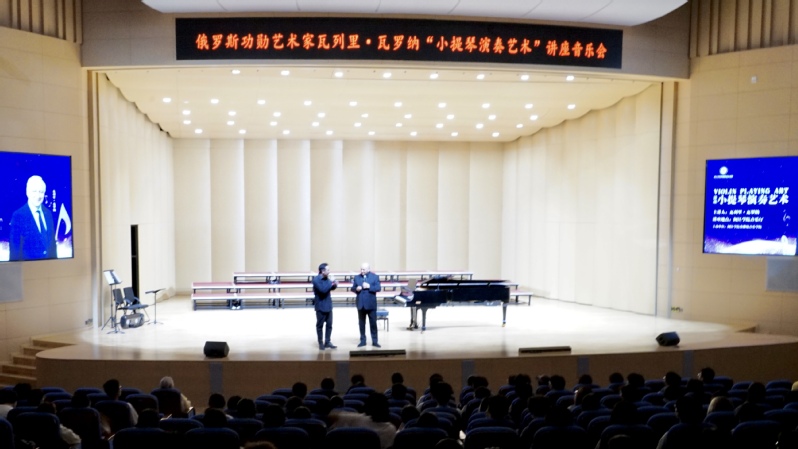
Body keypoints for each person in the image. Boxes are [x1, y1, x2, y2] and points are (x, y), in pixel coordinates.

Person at [9, 175, 57, 261]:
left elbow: (52, 246)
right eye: (34, 191)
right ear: (27, 192)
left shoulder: (48, 214)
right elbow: (14, 252)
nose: (38, 196)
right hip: (28, 268)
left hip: (49, 266)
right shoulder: (18, 216)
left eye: (41, 192)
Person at [351, 262, 382, 347]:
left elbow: (378, 288)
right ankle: (363, 340)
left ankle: (375, 341)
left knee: (373, 324)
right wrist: (356, 289)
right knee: (361, 324)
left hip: (371, 305)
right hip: (361, 304)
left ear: (368, 269)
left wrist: (369, 287)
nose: (362, 271)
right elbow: (352, 288)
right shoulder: (357, 277)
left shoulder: (375, 277)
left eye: (364, 269)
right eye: (361, 269)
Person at [313, 262, 338, 350]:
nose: (329, 271)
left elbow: (330, 288)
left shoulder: (327, 279)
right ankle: (320, 342)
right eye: (328, 270)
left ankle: (327, 341)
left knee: (329, 325)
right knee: (320, 326)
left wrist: (335, 284)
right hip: (320, 306)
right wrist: (331, 283)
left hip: (328, 305)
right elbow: (323, 290)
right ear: (322, 271)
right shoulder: (316, 280)